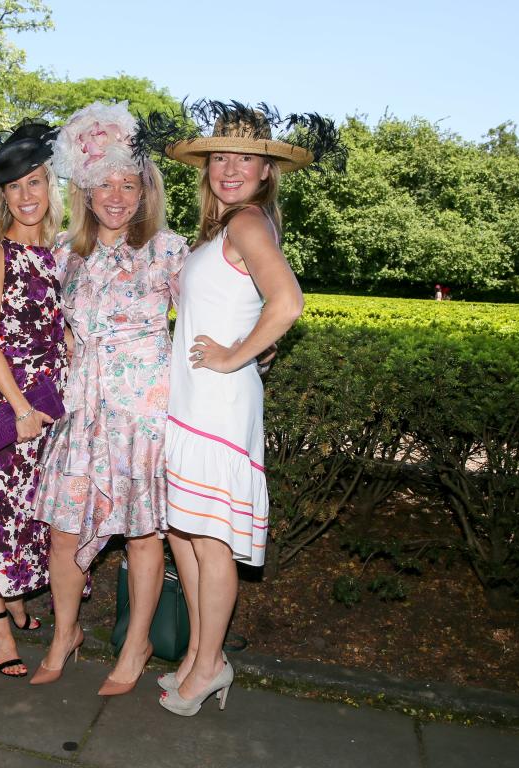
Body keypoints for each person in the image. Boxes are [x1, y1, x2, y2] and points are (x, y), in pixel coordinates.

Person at [154, 99, 345, 715]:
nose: (230, 167)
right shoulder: (226, 225)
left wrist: (237, 356)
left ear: (268, 171)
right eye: (221, 157)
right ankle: (195, 657)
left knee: (209, 544)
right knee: (183, 533)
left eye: (247, 158)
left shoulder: (247, 222)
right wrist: (242, 347)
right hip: (190, 402)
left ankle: (209, 665)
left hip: (216, 406)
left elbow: (287, 302)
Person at [30, 102, 189, 694]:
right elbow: (57, 333)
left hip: (144, 416)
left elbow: (209, 321)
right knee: (64, 532)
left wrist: (249, 353)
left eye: (129, 183)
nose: (117, 196)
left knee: (144, 534)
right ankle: (63, 633)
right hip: (83, 411)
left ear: (146, 190)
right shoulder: (66, 254)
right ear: (85, 189)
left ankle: (136, 645)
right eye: (104, 184)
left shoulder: (170, 251)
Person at [0, 119, 67, 677]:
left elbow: (63, 325)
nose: (26, 196)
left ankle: (18, 595)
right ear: (3, 197)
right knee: (0, 512)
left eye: (35, 182)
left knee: (37, 512)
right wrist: (21, 408)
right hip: (11, 404)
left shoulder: (60, 253)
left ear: (50, 186)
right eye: (15, 187)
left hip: (52, 403)